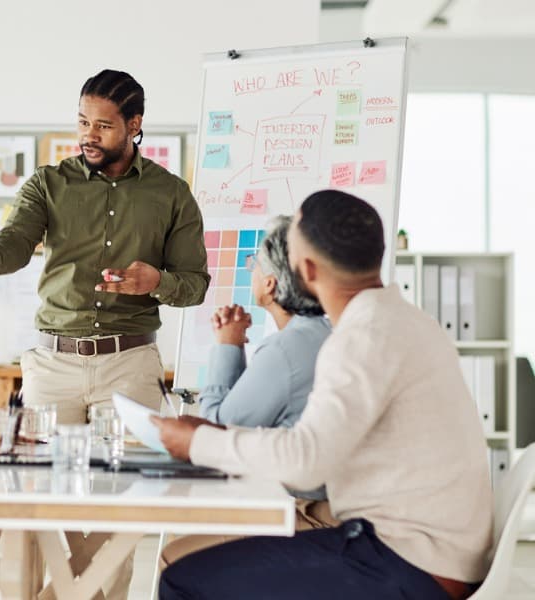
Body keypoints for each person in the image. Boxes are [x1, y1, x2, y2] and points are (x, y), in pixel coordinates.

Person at [153, 190, 492, 600]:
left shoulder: (360, 337)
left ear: (306, 271)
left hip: (407, 562)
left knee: (183, 579)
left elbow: (305, 461)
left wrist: (198, 442)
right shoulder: (401, 320)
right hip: (432, 550)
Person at [0, 69, 210, 425]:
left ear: (134, 125)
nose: (89, 135)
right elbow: (18, 239)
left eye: (103, 126)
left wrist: (156, 283)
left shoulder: (173, 193)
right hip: (53, 366)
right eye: (83, 122)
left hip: (130, 366)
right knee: (44, 476)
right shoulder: (48, 183)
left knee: (123, 477)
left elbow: (195, 285)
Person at [160, 215, 335, 568]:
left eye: (253, 263)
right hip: (329, 508)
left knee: (177, 560)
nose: (249, 269)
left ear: (270, 285)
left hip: (310, 517)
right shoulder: (319, 333)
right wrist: (234, 345)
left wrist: (225, 344)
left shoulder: (288, 349)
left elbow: (214, 434)